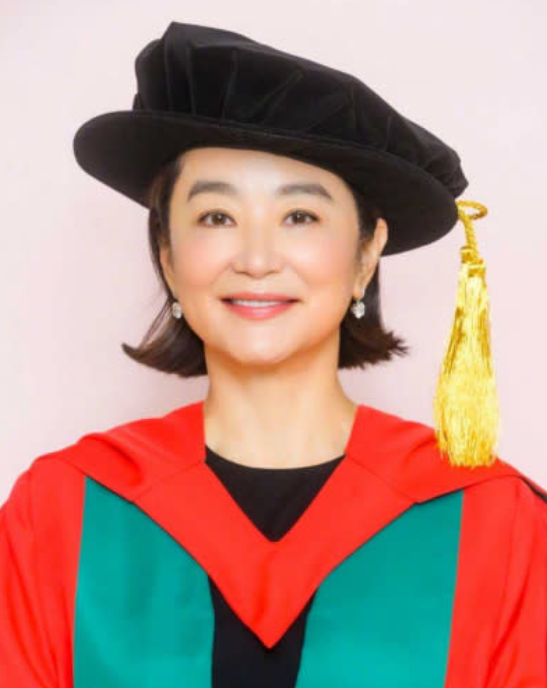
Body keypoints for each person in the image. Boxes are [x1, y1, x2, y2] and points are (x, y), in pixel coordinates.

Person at [1, 21, 547, 688]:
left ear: (366, 255)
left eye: (300, 217)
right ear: (168, 256)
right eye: (216, 217)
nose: (256, 259)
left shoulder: (492, 523)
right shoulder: (64, 512)